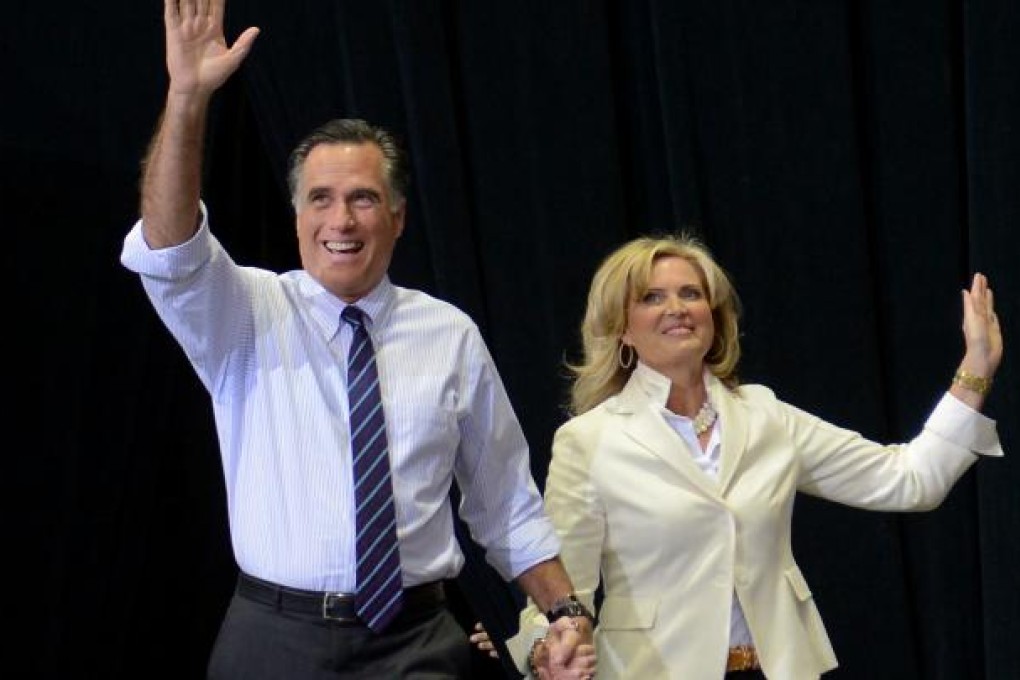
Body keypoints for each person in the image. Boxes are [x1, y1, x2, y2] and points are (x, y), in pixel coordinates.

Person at [120, 1, 596, 678]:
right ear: (296, 216)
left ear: (397, 218)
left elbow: (506, 506)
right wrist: (188, 98)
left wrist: (567, 613)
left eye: (363, 199)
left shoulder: (449, 335)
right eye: (320, 198)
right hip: (274, 641)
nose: (340, 220)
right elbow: (169, 248)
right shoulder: (244, 311)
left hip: (415, 644)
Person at [498, 233, 1004, 679]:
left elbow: (909, 479)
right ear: (622, 329)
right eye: (652, 297)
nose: (677, 307)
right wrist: (545, 650)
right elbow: (562, 591)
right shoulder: (589, 440)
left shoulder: (765, 415)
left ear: (713, 317)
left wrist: (975, 368)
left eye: (691, 293)